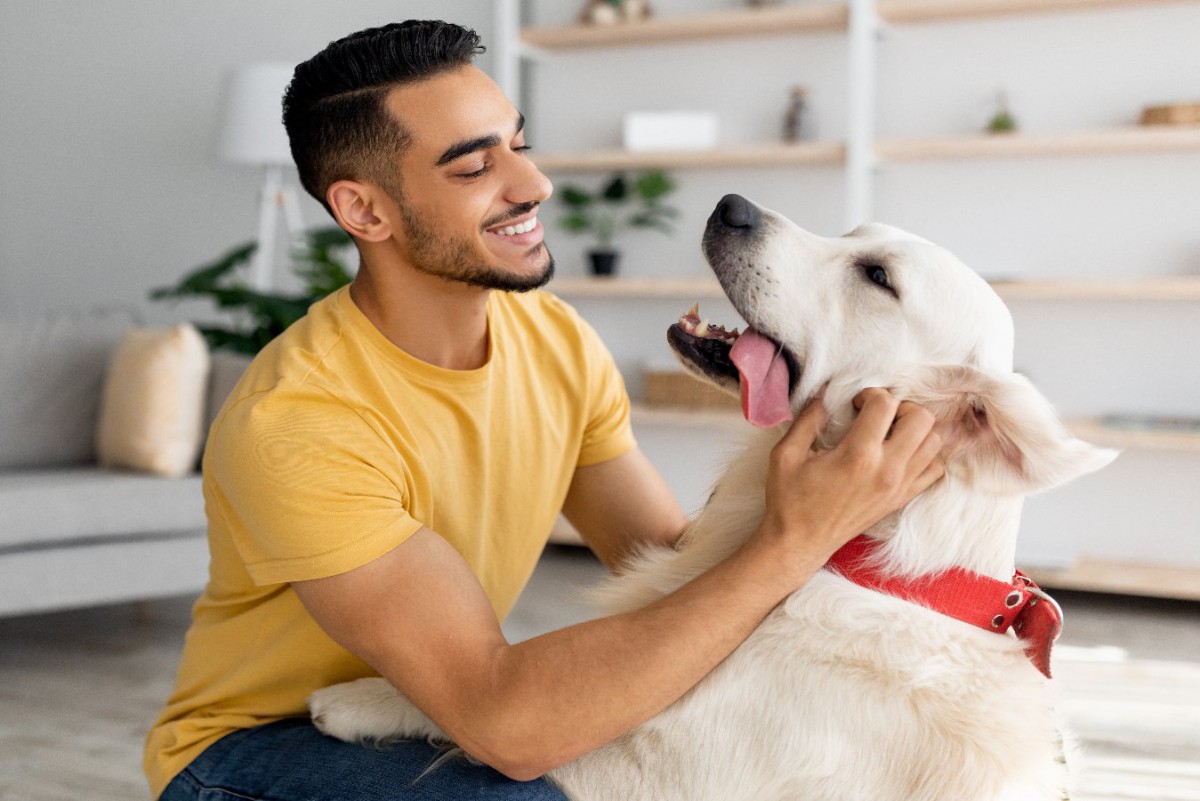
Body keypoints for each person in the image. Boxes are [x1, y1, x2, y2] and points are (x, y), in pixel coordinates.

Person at [145, 19, 944, 801]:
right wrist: (796, 534)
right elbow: (508, 726)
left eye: (518, 145)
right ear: (365, 212)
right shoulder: (300, 422)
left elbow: (667, 564)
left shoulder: (550, 337)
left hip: (435, 703)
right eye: (472, 169)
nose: (533, 186)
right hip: (250, 751)